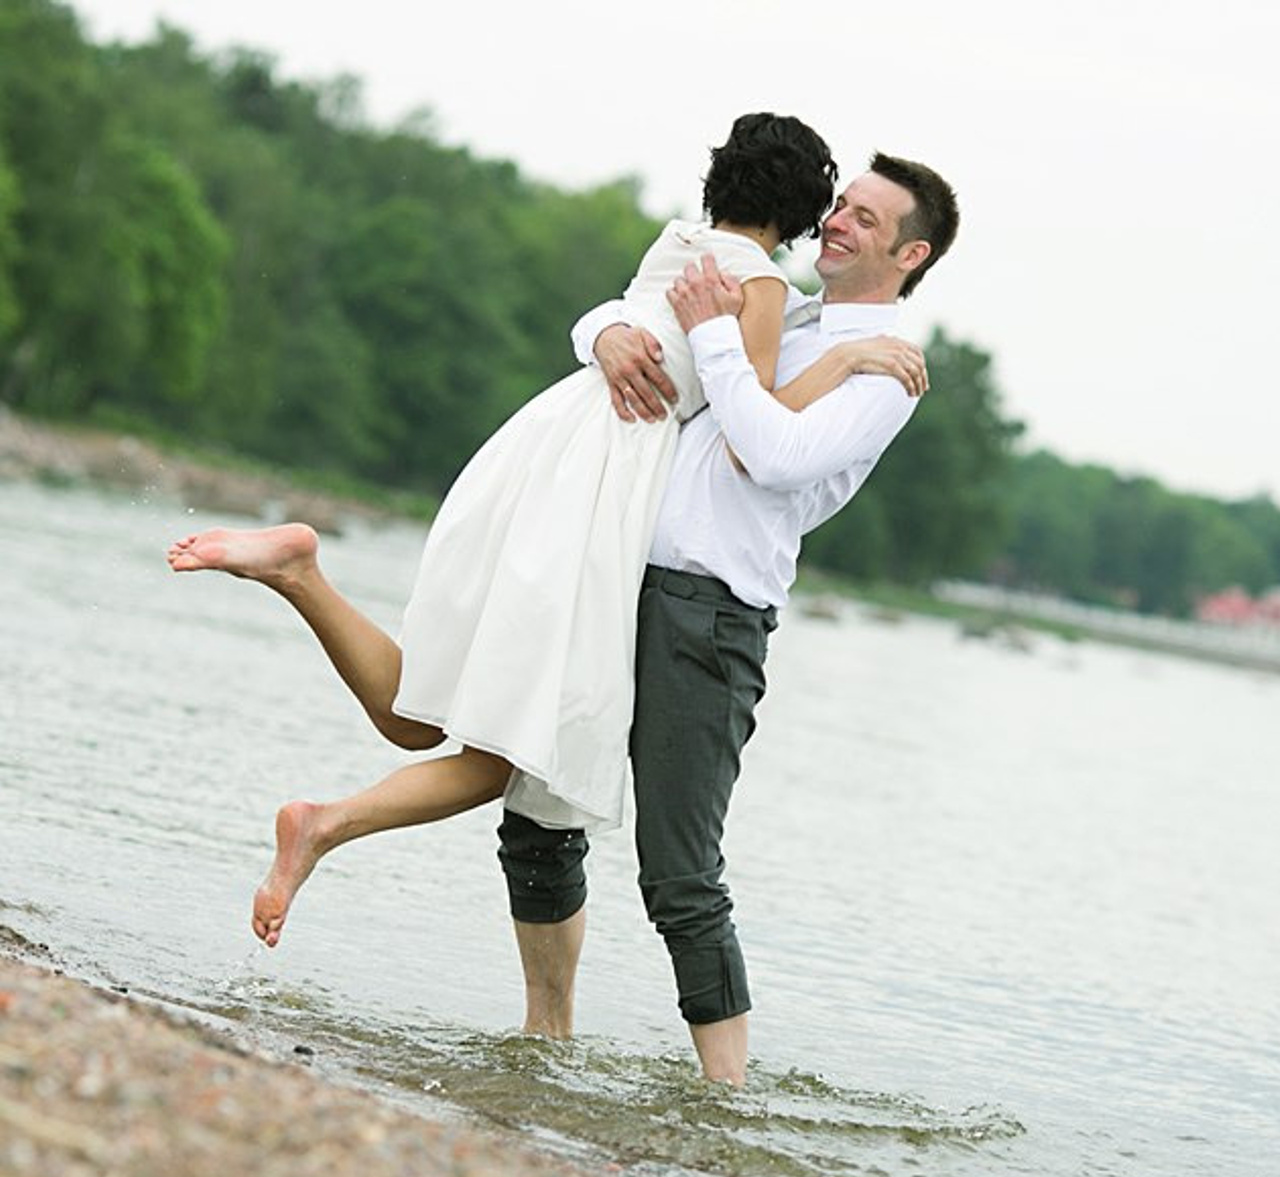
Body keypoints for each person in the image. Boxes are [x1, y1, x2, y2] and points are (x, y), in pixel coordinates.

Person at [166, 116, 926, 951]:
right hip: (602, 484)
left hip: (544, 446)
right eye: (834, 207)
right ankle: (322, 822)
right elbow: (755, 423)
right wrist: (845, 361)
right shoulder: (764, 287)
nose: (835, 223)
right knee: (524, 748)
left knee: (424, 712)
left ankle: (301, 576)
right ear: (802, 209)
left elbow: (636, 324)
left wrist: (604, 331)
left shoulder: (676, 242)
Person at [496, 151, 959, 1084]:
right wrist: (603, 335)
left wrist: (730, 339)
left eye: (865, 219)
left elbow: (767, 454)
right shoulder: (783, 310)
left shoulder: (886, 370)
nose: (836, 222)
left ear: (909, 256)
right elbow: (635, 308)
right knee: (537, 819)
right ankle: (544, 1043)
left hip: (708, 618)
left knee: (680, 872)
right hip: (618, 580)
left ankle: (729, 1100)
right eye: (841, 206)